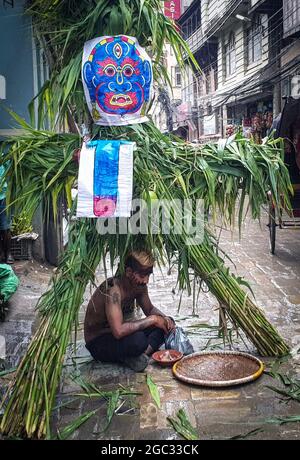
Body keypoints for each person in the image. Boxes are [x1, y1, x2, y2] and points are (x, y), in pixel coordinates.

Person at [84, 250, 176, 372]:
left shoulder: (140, 286)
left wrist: (165, 319)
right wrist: (153, 319)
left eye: (148, 276)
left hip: (116, 336)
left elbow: (150, 309)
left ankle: (140, 356)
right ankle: (131, 355)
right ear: (128, 272)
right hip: (98, 342)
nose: (146, 281)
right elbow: (118, 331)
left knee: (164, 325)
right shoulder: (113, 291)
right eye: (142, 276)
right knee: (138, 340)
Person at [0, 165, 13, 264]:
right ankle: (1, 254)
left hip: (4, 196)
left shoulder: (4, 152)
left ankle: (8, 254)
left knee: (6, 228)